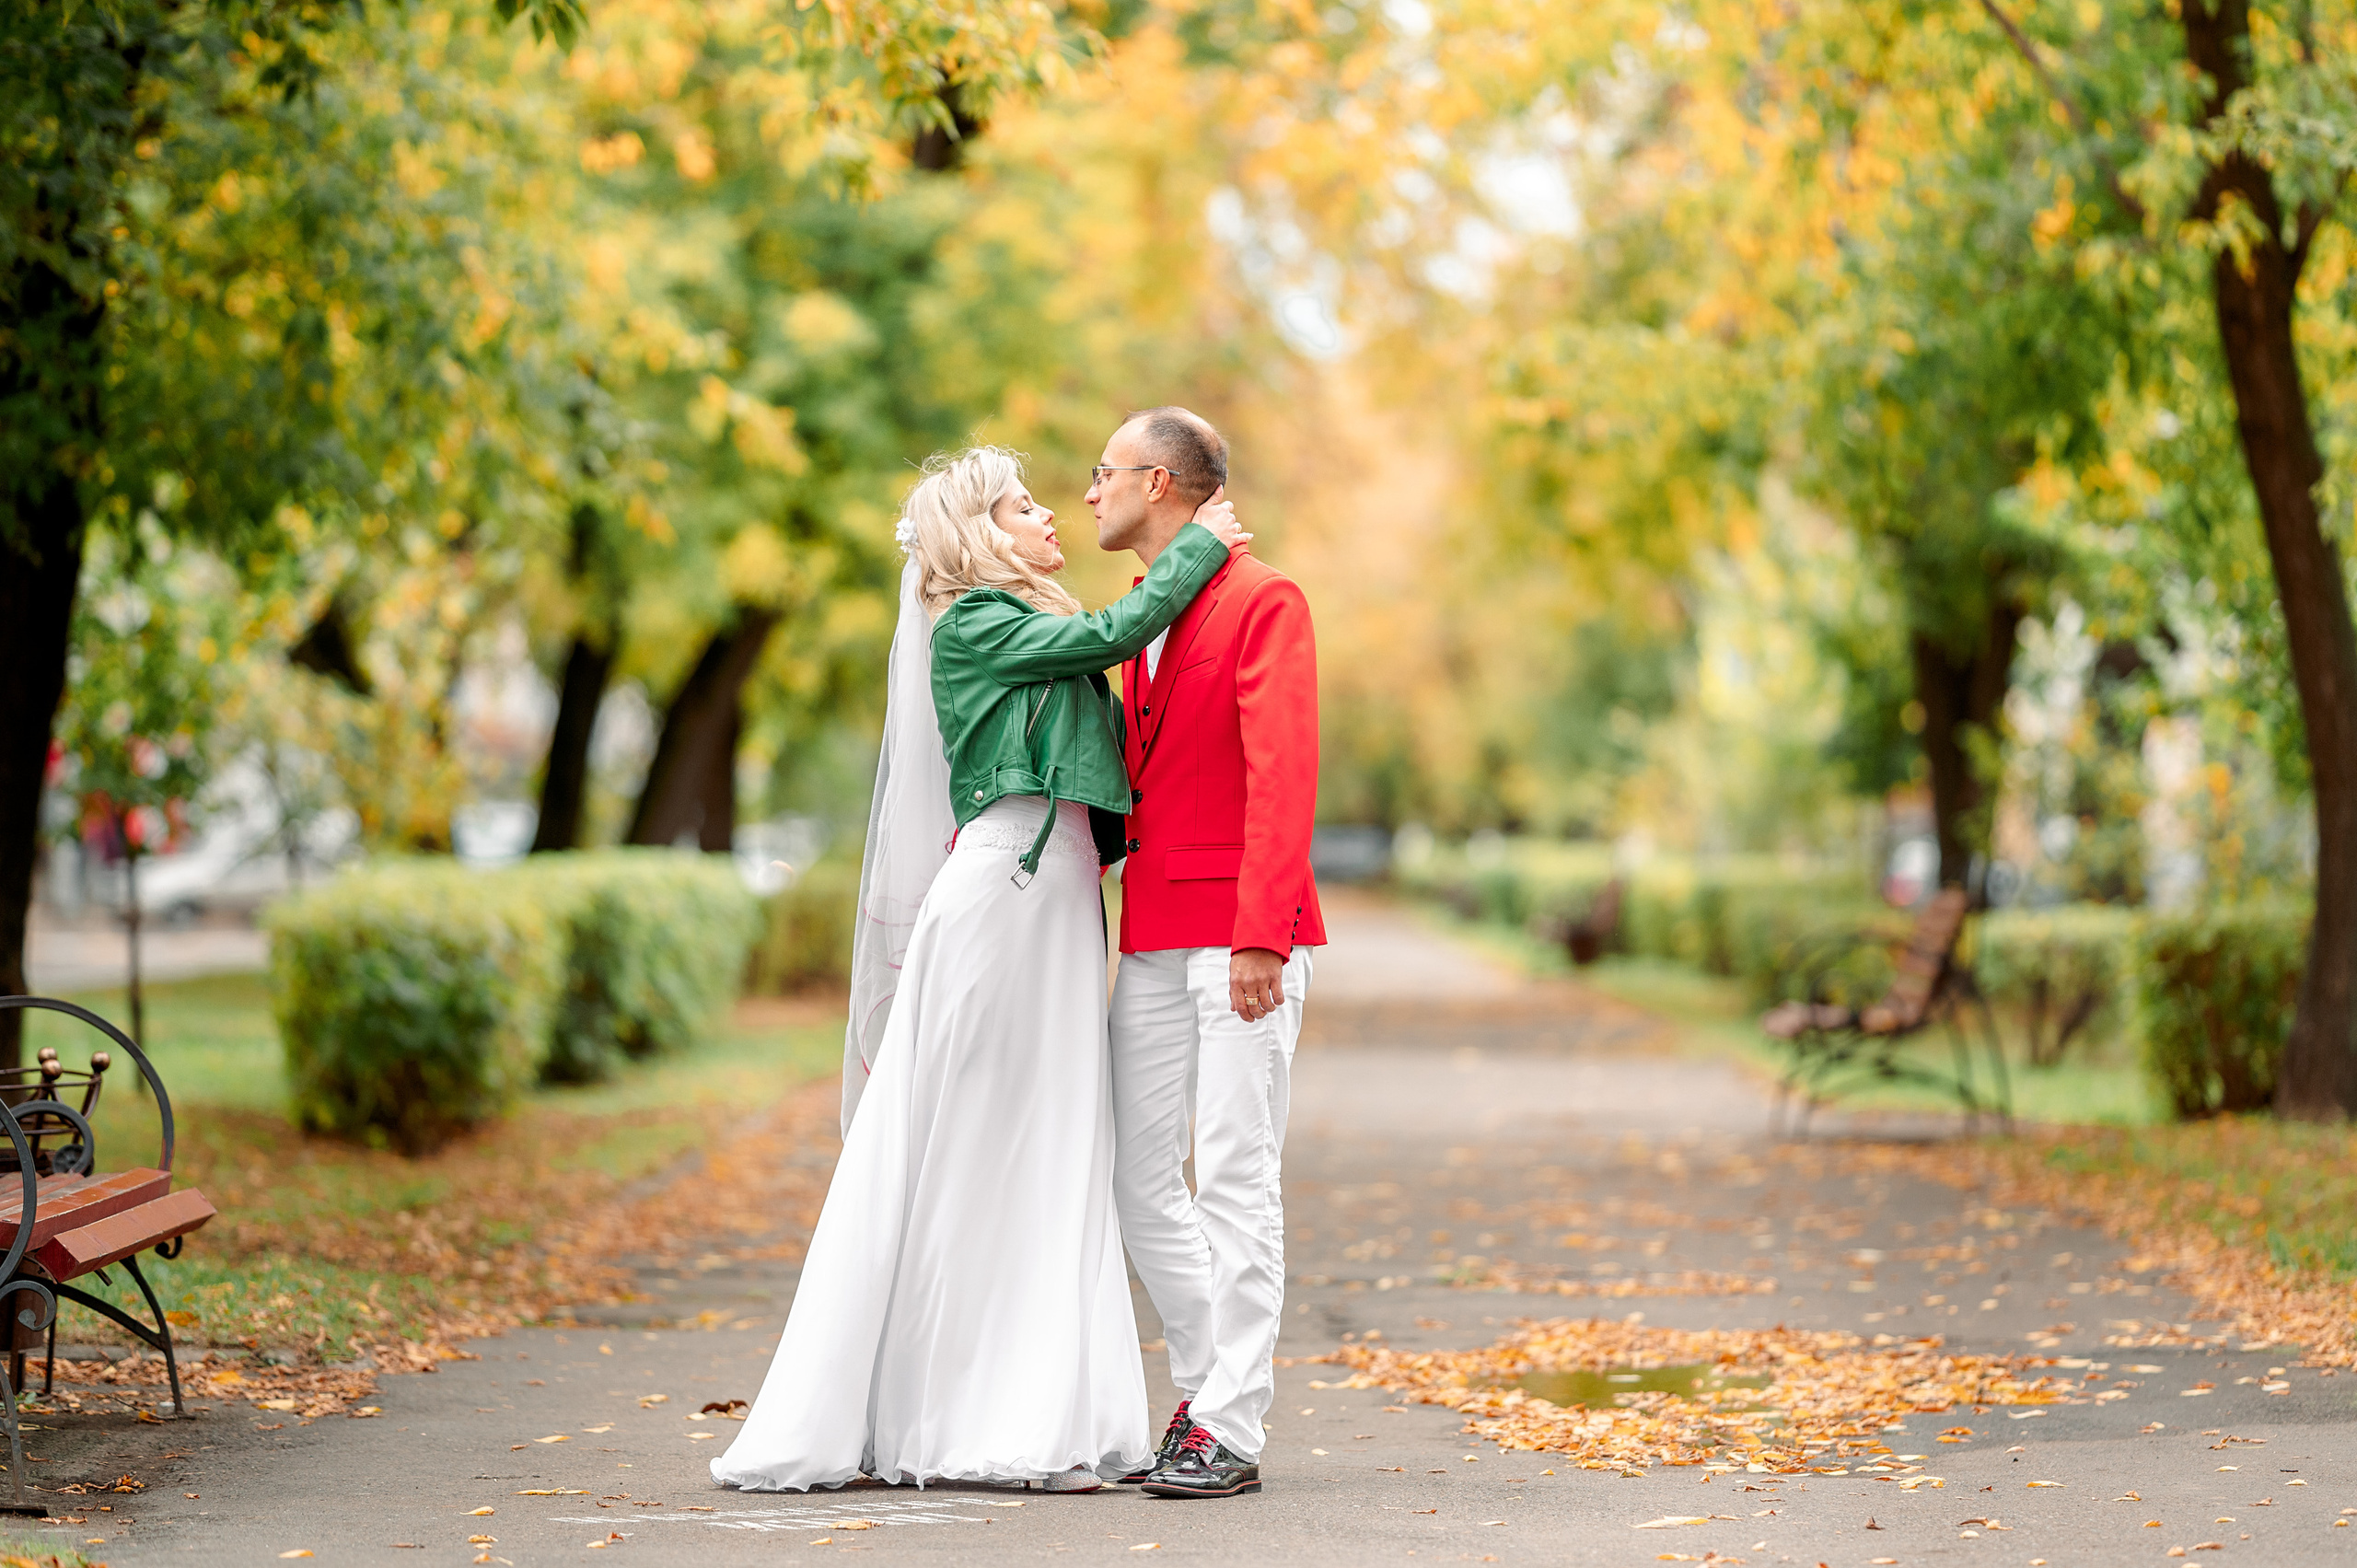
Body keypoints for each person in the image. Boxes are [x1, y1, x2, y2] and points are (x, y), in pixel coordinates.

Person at [711, 446, 1245, 1493]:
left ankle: (1026, 1406)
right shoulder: (976, 624)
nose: (1051, 513)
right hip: (1008, 899)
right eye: (1024, 504)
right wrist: (1194, 549)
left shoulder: (1014, 625)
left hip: (1050, 903)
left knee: (1048, 1145)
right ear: (978, 535)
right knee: (990, 1143)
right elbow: (1113, 629)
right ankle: (954, 1416)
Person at [1091, 408, 1325, 1500]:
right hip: (1148, 933)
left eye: (1102, 474)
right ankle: (1202, 1384)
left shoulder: (1262, 598)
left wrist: (1258, 934)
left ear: (1158, 479)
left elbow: (1282, 775)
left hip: (1238, 941)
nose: (1088, 495)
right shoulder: (1144, 610)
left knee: (1235, 1178)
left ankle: (1230, 1423)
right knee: (1140, 1176)